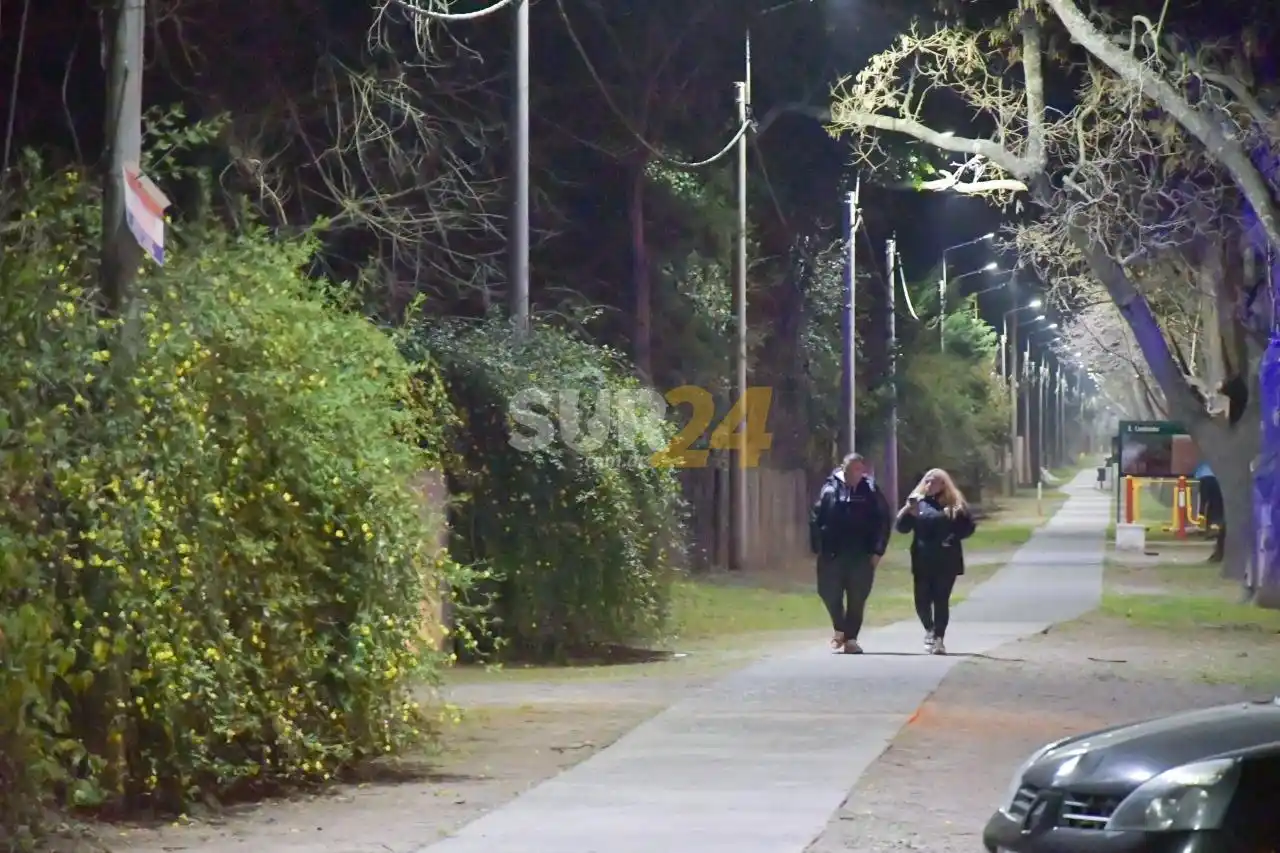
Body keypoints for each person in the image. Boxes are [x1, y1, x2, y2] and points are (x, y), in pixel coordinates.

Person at [808, 453, 892, 654]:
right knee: (828, 593)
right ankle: (840, 628)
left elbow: (883, 521)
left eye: (859, 469)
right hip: (832, 553)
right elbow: (815, 518)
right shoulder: (829, 489)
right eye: (852, 468)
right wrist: (817, 546)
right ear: (843, 468)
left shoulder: (870, 491)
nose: (856, 473)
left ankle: (851, 639)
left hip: (861, 554)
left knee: (857, 597)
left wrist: (878, 551)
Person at [895, 468, 976, 655]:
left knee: (941, 599)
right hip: (922, 559)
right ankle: (929, 630)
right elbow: (901, 528)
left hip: (946, 559)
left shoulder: (954, 504)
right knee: (921, 600)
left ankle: (939, 638)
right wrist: (908, 510)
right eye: (927, 481)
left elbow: (968, 527)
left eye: (935, 481)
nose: (930, 485)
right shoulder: (918, 503)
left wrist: (952, 534)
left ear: (944, 484)